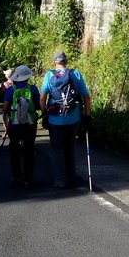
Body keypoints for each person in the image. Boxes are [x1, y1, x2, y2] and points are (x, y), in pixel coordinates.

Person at [39, 51, 91, 188]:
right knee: (70, 147)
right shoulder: (76, 74)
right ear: (66, 61)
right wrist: (87, 115)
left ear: (54, 62)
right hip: (73, 119)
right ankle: (71, 178)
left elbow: (42, 97)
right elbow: (86, 97)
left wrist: (44, 115)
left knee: (56, 150)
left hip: (55, 120)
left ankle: (60, 181)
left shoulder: (49, 75)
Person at [2, 65, 40, 188]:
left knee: (14, 150)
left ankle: (16, 177)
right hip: (30, 124)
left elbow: (5, 107)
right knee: (29, 150)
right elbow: (38, 105)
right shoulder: (32, 89)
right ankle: (28, 179)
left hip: (14, 124)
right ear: (27, 78)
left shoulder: (11, 90)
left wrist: (6, 119)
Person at [0, 69, 13, 139]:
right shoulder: (15, 83)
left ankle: (6, 132)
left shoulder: (5, 84)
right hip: (13, 103)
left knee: (5, 118)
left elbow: (1, 93)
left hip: (6, 103)